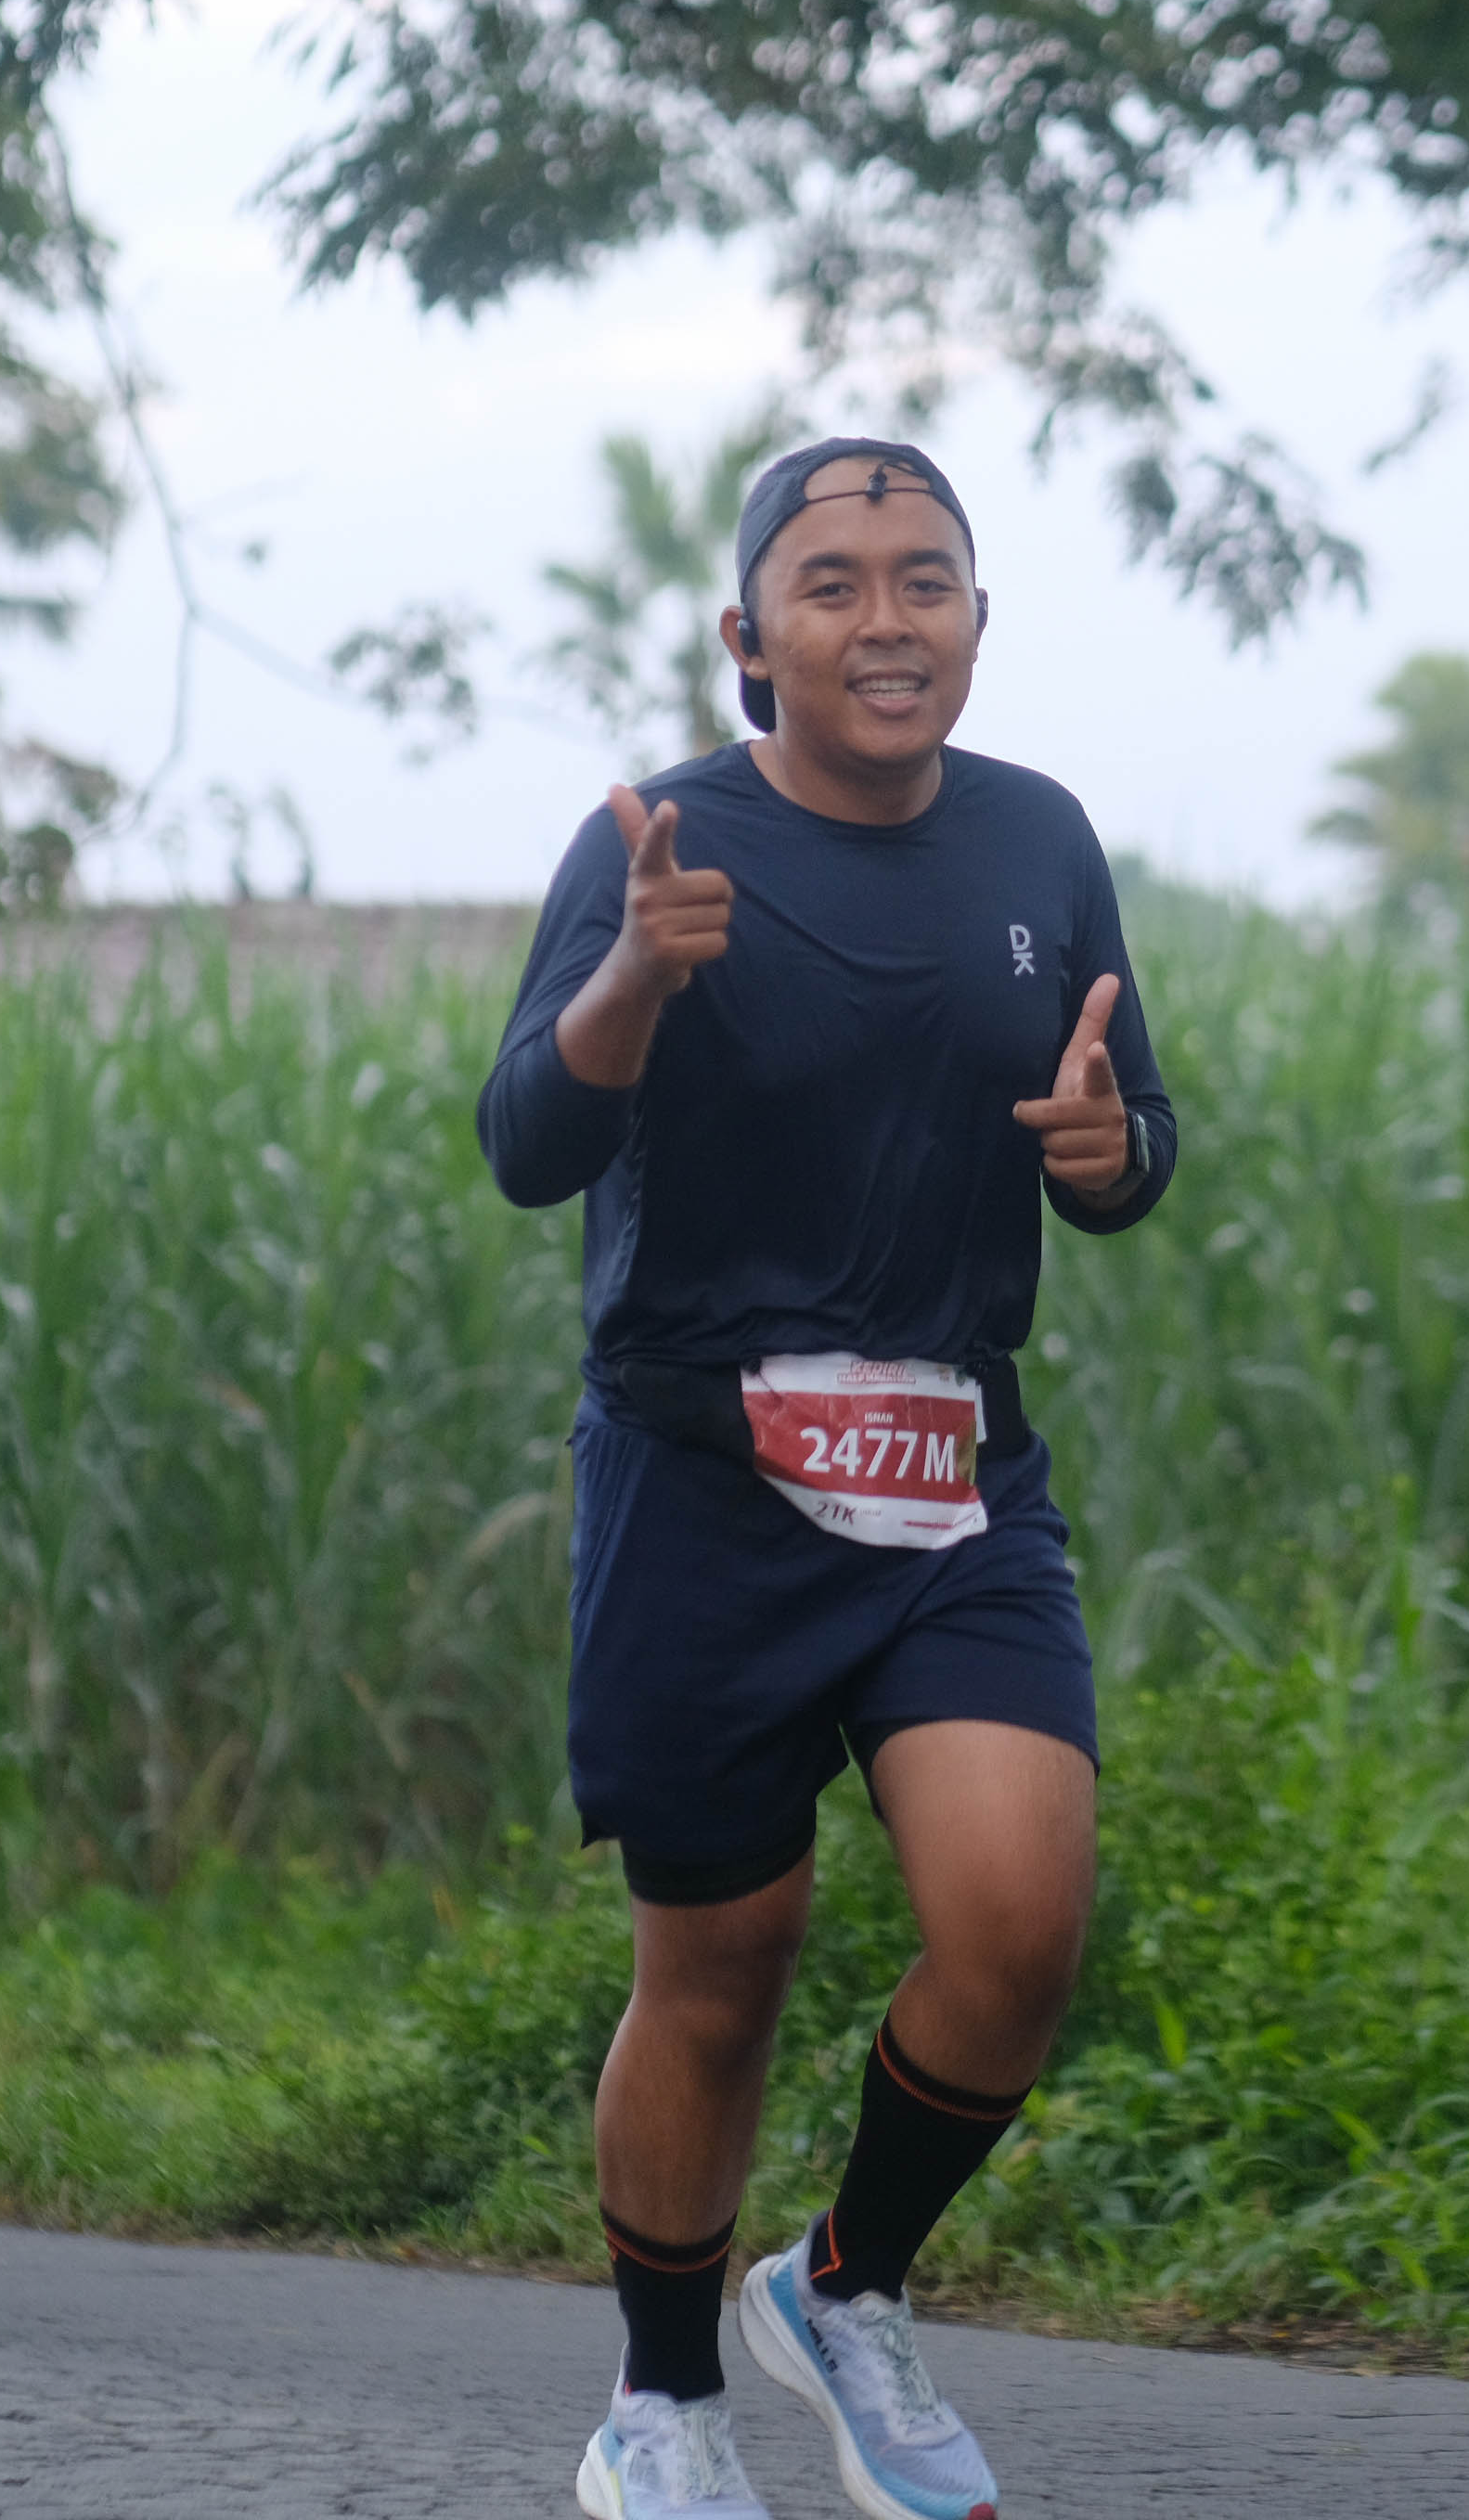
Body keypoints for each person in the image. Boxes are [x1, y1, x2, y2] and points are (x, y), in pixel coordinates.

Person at [480, 438, 1177, 2520]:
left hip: (954, 1474)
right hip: (706, 1479)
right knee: (722, 1968)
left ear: (979, 616)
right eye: (836, 582)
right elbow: (528, 1142)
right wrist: (634, 977)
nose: (888, 620)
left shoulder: (1038, 836)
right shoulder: (663, 840)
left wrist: (1111, 1155)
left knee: (1017, 1924)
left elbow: (1128, 1134)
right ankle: (663, 2404)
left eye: (927, 579)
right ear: (750, 633)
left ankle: (846, 2286)